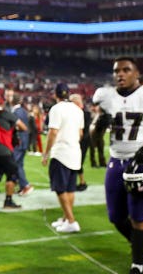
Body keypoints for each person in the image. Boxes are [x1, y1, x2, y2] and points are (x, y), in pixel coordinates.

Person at [92, 56, 143, 274]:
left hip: (140, 163)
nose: (120, 74)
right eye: (116, 71)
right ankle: (139, 245)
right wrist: (97, 129)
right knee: (116, 217)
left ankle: (138, 263)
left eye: (125, 70)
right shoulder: (107, 97)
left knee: (139, 217)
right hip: (115, 161)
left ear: (136, 73)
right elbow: (95, 133)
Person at [43, 84, 84, 233]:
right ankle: (66, 218)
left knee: (60, 189)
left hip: (61, 153)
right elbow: (80, 133)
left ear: (56, 94)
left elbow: (53, 132)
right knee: (70, 188)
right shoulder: (77, 110)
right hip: (75, 153)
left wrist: (46, 153)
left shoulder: (56, 109)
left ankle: (71, 221)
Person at [0, 96, 27, 209]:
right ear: (3, 104)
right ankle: (8, 201)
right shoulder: (7, 114)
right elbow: (23, 127)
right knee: (12, 175)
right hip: (4, 149)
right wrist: (13, 129)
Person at [12, 93, 33, 196]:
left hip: (19, 141)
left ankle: (25, 185)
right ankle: (22, 186)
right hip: (24, 140)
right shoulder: (23, 111)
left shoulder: (16, 111)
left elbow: (19, 126)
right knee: (19, 164)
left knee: (16, 164)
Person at [69, 93, 90, 191]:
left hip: (82, 141)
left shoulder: (83, 113)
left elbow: (82, 131)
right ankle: (80, 182)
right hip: (80, 140)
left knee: (78, 162)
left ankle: (82, 182)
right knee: (76, 161)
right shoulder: (82, 113)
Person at [89, 103, 108, 168]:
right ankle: (93, 163)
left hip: (99, 135)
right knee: (92, 150)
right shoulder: (93, 114)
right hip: (93, 135)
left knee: (101, 149)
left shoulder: (103, 116)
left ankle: (102, 163)